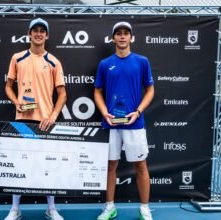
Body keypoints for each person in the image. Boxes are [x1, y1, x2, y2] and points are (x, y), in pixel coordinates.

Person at [4, 18, 67, 220]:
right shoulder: (17, 58)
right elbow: (8, 86)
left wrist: (53, 116)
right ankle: (15, 209)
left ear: (47, 35)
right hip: (23, 119)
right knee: (19, 164)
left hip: (45, 121)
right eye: (35, 31)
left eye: (42, 31)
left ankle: (51, 208)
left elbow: (63, 94)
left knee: (48, 165)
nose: (38, 34)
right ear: (29, 34)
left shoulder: (54, 61)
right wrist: (16, 102)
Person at [94, 21, 155, 220]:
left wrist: (138, 111)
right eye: (118, 33)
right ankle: (109, 207)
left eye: (125, 33)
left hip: (134, 123)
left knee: (141, 165)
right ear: (113, 38)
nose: (122, 36)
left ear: (131, 37)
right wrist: (104, 112)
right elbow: (97, 92)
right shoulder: (104, 64)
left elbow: (150, 90)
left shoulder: (142, 61)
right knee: (111, 166)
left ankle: (145, 208)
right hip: (112, 123)